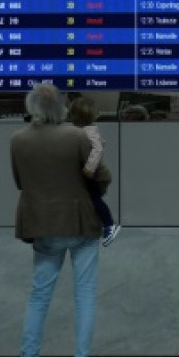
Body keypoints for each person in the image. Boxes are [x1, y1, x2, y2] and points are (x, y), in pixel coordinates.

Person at [11, 82, 110, 357]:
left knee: (39, 296)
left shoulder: (18, 140)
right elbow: (101, 176)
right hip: (80, 222)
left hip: (41, 223)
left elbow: (19, 182)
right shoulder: (76, 136)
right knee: (85, 294)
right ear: (62, 107)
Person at [68, 96, 120, 246]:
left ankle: (109, 225)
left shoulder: (89, 131)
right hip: (93, 174)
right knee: (91, 200)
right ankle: (98, 225)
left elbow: (97, 149)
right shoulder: (82, 130)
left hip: (96, 175)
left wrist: (89, 169)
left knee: (94, 199)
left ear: (76, 116)